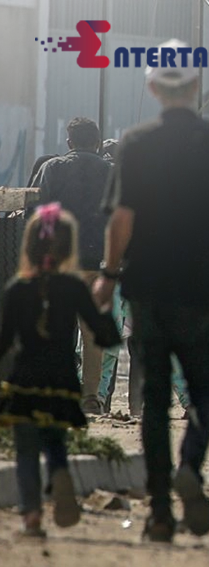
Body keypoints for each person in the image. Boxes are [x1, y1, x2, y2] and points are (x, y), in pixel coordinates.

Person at [95, 42, 209, 544]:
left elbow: (122, 220)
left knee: (152, 397)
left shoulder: (135, 143)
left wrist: (108, 275)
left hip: (148, 285)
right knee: (204, 391)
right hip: (207, 286)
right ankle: (190, 464)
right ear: (196, 86)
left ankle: (158, 510)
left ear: (152, 86)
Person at [0, 205, 120, 537]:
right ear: (69, 248)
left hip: (24, 383)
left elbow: (3, 341)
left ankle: (32, 517)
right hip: (62, 382)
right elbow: (106, 337)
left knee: (25, 450)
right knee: (54, 443)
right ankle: (59, 476)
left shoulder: (16, 289)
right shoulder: (74, 288)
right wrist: (105, 308)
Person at [29, 117, 112, 416]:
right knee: (92, 333)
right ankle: (91, 396)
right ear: (99, 142)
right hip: (98, 263)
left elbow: (38, 215)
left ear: (69, 143)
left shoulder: (53, 168)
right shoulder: (111, 172)